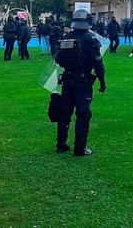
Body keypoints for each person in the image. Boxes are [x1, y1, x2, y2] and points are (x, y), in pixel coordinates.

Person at [53, 9, 106, 156]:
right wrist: (102, 81)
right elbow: (98, 64)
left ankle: (61, 144)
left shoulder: (66, 37)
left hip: (67, 79)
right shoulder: (91, 39)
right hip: (83, 81)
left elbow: (57, 59)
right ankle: (80, 148)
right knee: (83, 114)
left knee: (65, 113)